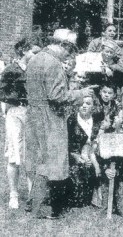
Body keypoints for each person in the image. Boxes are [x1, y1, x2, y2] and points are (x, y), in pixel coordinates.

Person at [25, 29, 95, 219]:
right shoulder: (53, 63)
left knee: (39, 161)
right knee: (53, 163)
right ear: (63, 45)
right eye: (70, 50)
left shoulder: (35, 58)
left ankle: (34, 205)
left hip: (33, 115)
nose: (69, 55)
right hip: (49, 117)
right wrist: (82, 93)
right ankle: (48, 209)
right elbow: (57, 96)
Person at [0, 39, 41, 209]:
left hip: (31, 112)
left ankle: (32, 195)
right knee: (14, 153)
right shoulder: (11, 70)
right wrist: (15, 99)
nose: (36, 56)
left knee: (31, 152)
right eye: (34, 52)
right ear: (24, 51)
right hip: (15, 112)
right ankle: (13, 194)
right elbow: (2, 91)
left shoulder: (36, 69)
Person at [67, 95, 102, 208]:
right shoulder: (71, 120)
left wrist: (94, 162)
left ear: (93, 106)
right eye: (81, 103)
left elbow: (95, 144)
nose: (84, 106)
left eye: (88, 103)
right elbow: (67, 145)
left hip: (92, 155)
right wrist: (78, 158)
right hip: (73, 156)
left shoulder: (97, 121)